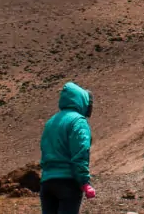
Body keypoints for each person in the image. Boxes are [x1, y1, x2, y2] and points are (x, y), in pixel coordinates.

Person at [40, 81, 95, 214]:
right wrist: (84, 182)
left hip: (47, 183)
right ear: (82, 101)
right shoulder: (78, 122)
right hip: (67, 182)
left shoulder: (51, 122)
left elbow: (45, 150)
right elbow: (80, 153)